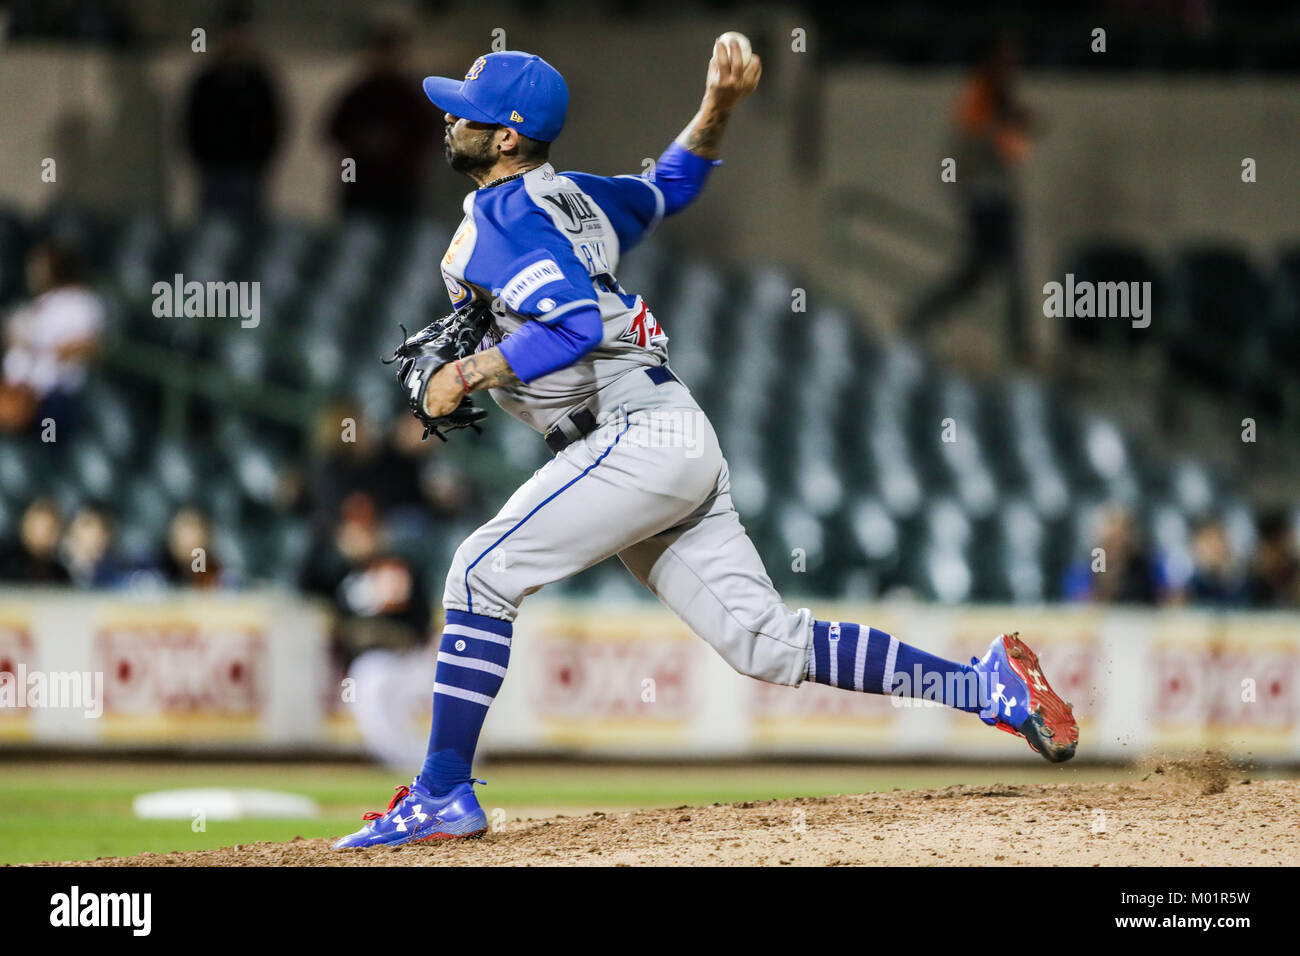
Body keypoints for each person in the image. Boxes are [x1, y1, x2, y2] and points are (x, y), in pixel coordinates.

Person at [333, 41, 1078, 850]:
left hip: (630, 436)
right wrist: (719, 104)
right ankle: (986, 687)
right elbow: (670, 187)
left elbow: (576, 327)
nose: (449, 116)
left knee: (478, 572)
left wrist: (471, 371)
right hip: (668, 433)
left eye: (467, 110)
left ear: (508, 135)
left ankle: (443, 792)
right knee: (764, 641)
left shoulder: (501, 216)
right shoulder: (576, 198)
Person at [905, 32, 1037, 365]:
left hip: (998, 196)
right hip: (983, 197)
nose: (1012, 68)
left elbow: (1013, 151)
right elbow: (983, 140)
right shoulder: (980, 92)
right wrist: (1015, 127)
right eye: (1007, 60)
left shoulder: (1000, 98)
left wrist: (1018, 128)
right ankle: (922, 316)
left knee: (988, 272)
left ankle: (921, 316)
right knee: (992, 271)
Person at [324, 13, 440, 218]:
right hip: (360, 189)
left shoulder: (409, 95)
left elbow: (429, 136)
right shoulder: (360, 93)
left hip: (400, 191)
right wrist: (362, 146)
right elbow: (333, 132)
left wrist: (398, 150)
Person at [181, 2, 283, 216]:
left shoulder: (259, 80)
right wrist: (204, 160)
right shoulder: (208, 80)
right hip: (214, 172)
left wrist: (259, 162)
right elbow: (192, 122)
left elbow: (273, 124)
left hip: (248, 173)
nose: (236, 38)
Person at [0, 240, 104, 434]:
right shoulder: (39, 303)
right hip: (16, 388)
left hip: (52, 397)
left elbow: (82, 346)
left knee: (48, 436)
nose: (33, 272)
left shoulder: (80, 303)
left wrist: (37, 346)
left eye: (39, 266)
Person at [0, 498, 71, 583]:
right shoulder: (7, 563)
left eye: (51, 529)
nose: (45, 536)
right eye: (41, 529)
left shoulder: (60, 572)